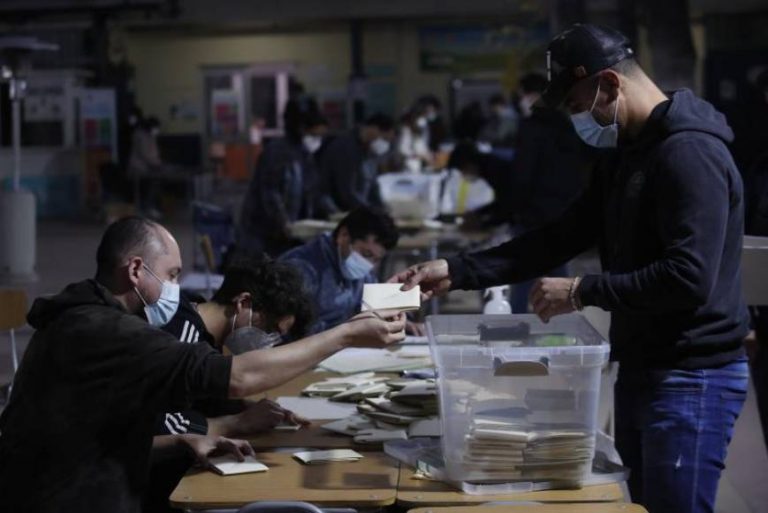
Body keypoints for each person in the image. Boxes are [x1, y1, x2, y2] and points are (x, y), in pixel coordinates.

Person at [389, 24, 749, 513]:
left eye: (579, 106)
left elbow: (689, 277)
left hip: (692, 375)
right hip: (645, 366)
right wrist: (457, 269)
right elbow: (560, 236)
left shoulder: (689, 153)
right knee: (644, 506)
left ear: (611, 84)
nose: (577, 120)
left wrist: (583, 291)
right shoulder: (625, 155)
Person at [0, 216, 405, 513]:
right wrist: (346, 335)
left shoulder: (89, 318)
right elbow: (238, 377)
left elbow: (94, 432)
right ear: (137, 270)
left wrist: (182, 440)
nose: (180, 289)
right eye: (172, 274)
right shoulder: (104, 331)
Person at [146, 255, 314, 513]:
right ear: (243, 303)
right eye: (269, 330)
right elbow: (158, 424)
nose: (268, 343)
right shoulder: (182, 337)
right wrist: (237, 422)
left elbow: (199, 396)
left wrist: (245, 408)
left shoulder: (199, 326)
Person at [280, 207, 422, 335]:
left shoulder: (361, 271)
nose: (368, 265)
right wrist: (352, 329)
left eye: (376, 259)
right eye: (366, 254)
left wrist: (398, 321)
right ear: (344, 235)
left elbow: (371, 307)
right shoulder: (302, 268)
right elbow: (291, 330)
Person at [238, 103, 329, 257]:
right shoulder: (277, 152)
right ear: (302, 129)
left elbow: (312, 189)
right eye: (314, 135)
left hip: (288, 231)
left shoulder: (304, 154)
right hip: (265, 233)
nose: (317, 140)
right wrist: (283, 222)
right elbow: (270, 193)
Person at [316, 113, 394, 216]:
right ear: (373, 129)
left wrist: (382, 209)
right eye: (384, 139)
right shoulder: (345, 148)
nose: (385, 144)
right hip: (338, 213)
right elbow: (347, 192)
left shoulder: (370, 152)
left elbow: (373, 187)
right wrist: (371, 212)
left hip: (359, 213)